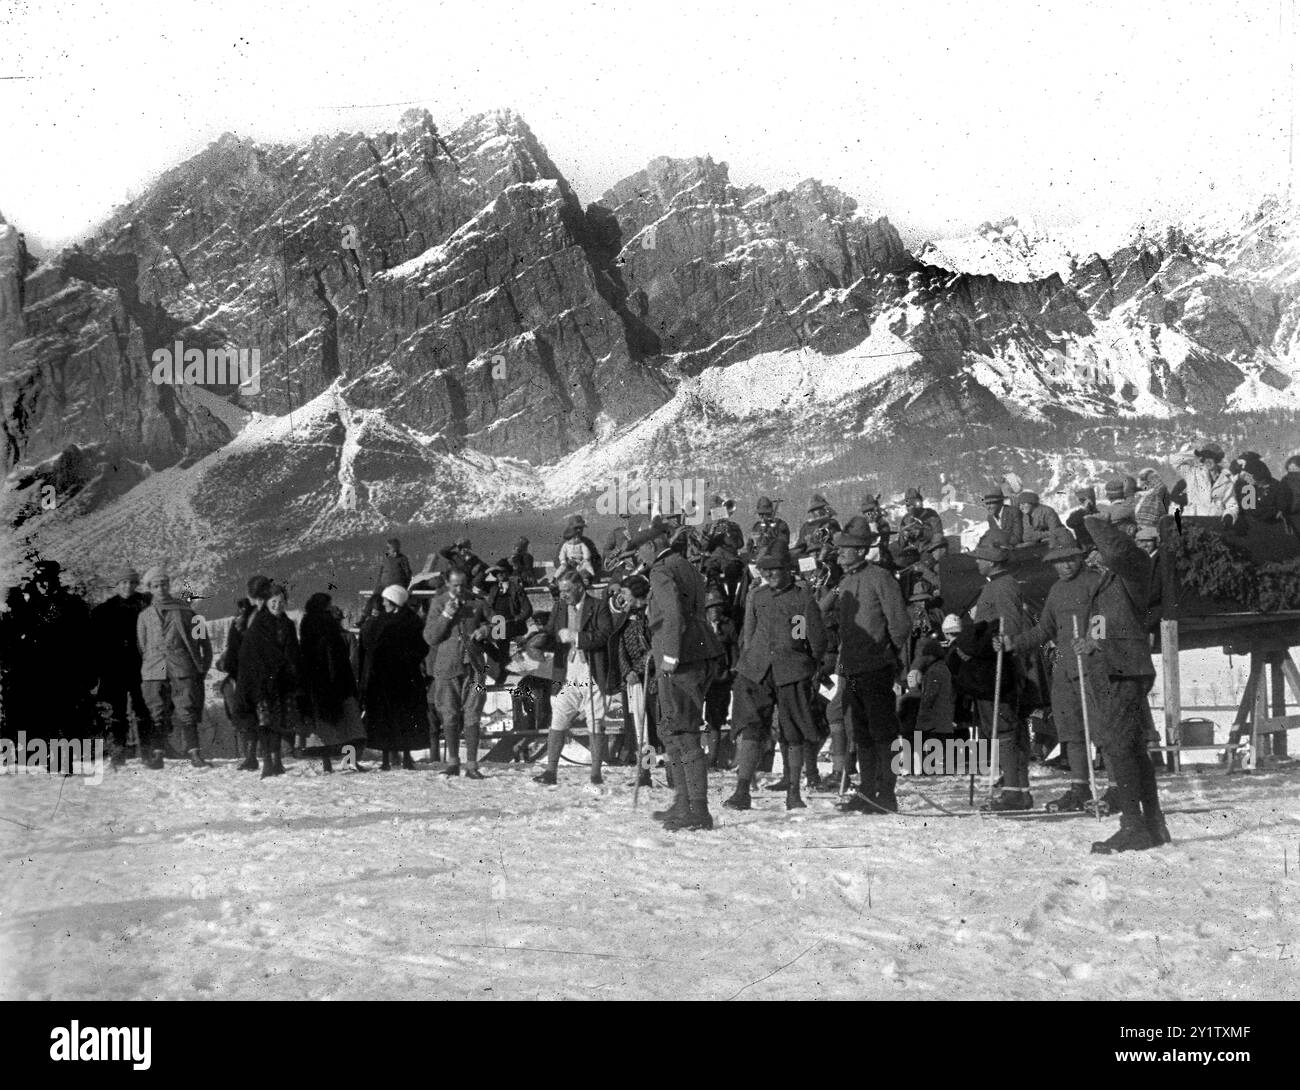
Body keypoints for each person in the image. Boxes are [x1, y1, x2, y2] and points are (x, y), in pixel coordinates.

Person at [1079, 514, 1170, 852]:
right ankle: (1153, 825)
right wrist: (1092, 641)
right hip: (1115, 666)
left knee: (1119, 746)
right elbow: (1104, 619)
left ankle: (1133, 827)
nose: (1091, 556)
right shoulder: (1109, 581)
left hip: (1126, 669)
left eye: (1095, 550)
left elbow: (1117, 549)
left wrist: (1089, 518)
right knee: (1131, 747)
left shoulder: (1134, 563)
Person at [997, 528, 1105, 812]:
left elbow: (1106, 617)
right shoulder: (1056, 590)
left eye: (1070, 558)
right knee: (1071, 732)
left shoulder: (1096, 583)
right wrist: (1013, 643)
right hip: (1065, 671)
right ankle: (1080, 789)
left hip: (1092, 668)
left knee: (1102, 731)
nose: (1066, 565)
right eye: (1060, 560)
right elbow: (1044, 629)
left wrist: (1094, 641)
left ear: (1079, 557)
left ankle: (1118, 789)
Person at [633, 519, 724, 830]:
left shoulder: (661, 570)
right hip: (699, 651)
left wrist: (669, 656)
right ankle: (682, 802)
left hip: (682, 660)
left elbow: (671, 614)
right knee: (673, 731)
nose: (638, 557)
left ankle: (696, 810)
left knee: (682, 734)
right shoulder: (683, 563)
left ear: (653, 545)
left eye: (639, 548)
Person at [724, 543, 827, 812]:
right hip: (757, 671)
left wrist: (803, 666)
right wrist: (750, 661)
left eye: (776, 569)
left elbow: (810, 641)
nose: (771, 574)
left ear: (788, 570)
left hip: (791, 672)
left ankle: (793, 792)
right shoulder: (757, 597)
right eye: (766, 570)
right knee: (750, 727)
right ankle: (742, 790)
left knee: (792, 731)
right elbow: (749, 634)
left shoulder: (801, 600)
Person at [827, 521, 910, 814]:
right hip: (850, 670)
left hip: (876, 668)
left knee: (883, 732)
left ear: (861, 550)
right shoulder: (845, 582)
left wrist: (889, 657)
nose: (839, 554)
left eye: (845, 549)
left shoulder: (881, 578)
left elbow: (900, 625)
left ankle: (886, 794)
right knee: (859, 732)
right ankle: (866, 790)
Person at [531, 569, 616, 786]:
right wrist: (538, 643)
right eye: (561, 591)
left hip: (591, 671)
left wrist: (577, 637)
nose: (564, 595)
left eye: (567, 590)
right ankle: (550, 772)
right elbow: (552, 633)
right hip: (566, 671)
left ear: (579, 587)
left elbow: (605, 635)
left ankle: (596, 774)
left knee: (596, 723)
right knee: (558, 719)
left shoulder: (599, 606)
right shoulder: (559, 606)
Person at [967, 535, 1033, 809]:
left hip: (1001, 666)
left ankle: (1015, 791)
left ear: (992, 562)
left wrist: (1002, 646)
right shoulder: (994, 585)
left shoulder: (1003, 586)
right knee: (1002, 728)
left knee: (1005, 727)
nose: (977, 562)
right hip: (991, 664)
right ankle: (1015, 787)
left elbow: (1012, 626)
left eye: (981, 557)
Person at [137, 566, 213, 768]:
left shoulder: (188, 612)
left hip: (182, 667)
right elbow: (143, 644)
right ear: (150, 589)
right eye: (155, 585)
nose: (160, 588)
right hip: (154, 668)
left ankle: (195, 754)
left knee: (186, 709)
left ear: (169, 585)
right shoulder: (144, 616)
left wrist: (201, 668)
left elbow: (204, 643)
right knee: (157, 711)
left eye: (163, 584)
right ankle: (158, 755)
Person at [424, 570, 492, 778]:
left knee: (473, 714)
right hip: (447, 667)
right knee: (450, 714)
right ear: (447, 583)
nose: (459, 590)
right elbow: (430, 637)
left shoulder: (478, 603)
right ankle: (453, 762)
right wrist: (446, 615)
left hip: (475, 667)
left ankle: (472, 765)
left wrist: (487, 630)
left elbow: (501, 627)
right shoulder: (437, 603)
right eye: (455, 586)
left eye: (463, 585)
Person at [235, 579, 300, 778]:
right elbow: (252, 655)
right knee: (265, 722)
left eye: (280, 602)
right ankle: (268, 762)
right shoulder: (259, 625)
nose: (277, 605)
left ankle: (277, 760)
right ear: (267, 601)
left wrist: (291, 672)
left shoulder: (288, 625)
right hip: (262, 683)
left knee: (278, 722)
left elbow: (293, 652)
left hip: (281, 683)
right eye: (273, 601)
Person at [360, 585, 429, 771]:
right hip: (406, 677)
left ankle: (386, 759)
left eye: (385, 600)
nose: (383, 603)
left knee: (385, 718)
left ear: (394, 601)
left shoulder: (380, 622)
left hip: (384, 677)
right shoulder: (413, 621)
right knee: (405, 717)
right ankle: (405, 757)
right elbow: (423, 648)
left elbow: (368, 645)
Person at [90, 566, 153, 767]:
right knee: (116, 712)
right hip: (113, 668)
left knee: (143, 709)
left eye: (131, 582)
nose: (128, 586)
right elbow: (95, 644)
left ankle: (148, 753)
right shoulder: (104, 610)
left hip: (141, 666)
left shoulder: (146, 606)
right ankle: (118, 754)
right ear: (117, 585)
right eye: (123, 582)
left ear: (136, 584)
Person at [299, 592, 366, 773]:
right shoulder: (327, 628)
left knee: (328, 728)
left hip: (322, 684)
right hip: (336, 682)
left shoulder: (309, 627)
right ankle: (347, 761)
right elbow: (338, 658)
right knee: (348, 726)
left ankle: (328, 763)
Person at [219, 589, 260, 771]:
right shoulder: (249, 622)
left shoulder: (239, 624)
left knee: (243, 716)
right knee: (248, 717)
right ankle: (250, 755)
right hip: (245, 676)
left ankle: (250, 755)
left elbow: (230, 657)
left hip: (242, 678)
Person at [703, 586, 738, 769]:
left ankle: (713, 757)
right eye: (711, 608)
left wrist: (733, 670)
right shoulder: (700, 626)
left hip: (721, 679)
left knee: (715, 718)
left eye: (718, 607)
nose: (715, 612)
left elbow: (734, 650)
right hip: (702, 679)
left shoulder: (728, 626)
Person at [1170, 441, 1237, 519]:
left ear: (1217, 458)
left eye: (1210, 457)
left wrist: (1229, 516)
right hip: (1192, 522)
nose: (1207, 461)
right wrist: (1194, 453)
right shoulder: (1193, 473)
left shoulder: (1226, 480)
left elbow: (1231, 504)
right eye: (1204, 458)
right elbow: (1174, 461)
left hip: (1214, 523)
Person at [898, 487, 947, 559]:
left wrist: (922, 533)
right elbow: (901, 544)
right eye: (908, 505)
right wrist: (904, 536)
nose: (911, 507)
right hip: (913, 552)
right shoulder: (906, 519)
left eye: (914, 503)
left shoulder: (930, 515)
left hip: (929, 550)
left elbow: (938, 534)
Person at [1065, 486, 1099, 551]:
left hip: (1090, 546)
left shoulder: (1079, 514)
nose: (1080, 502)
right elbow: (1069, 522)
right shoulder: (1079, 514)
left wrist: (1084, 510)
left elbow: (1069, 523)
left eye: (1081, 500)